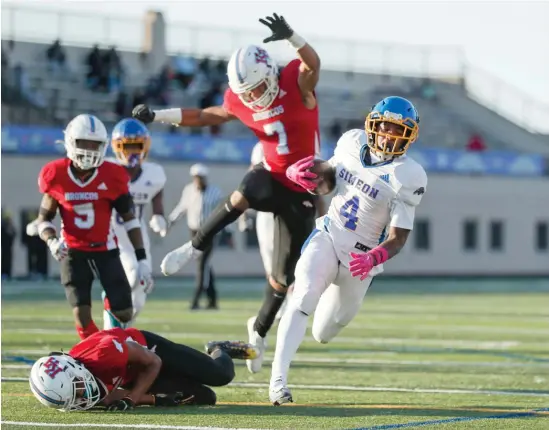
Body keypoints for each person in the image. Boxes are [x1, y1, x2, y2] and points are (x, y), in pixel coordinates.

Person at [133, 13, 321, 374]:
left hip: (302, 188)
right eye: (244, 91)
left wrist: (293, 36)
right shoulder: (241, 99)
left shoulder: (294, 81)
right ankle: (193, 246)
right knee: (243, 192)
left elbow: (313, 63)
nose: (251, 97)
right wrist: (157, 115)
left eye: (254, 88)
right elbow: (205, 115)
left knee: (283, 279)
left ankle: (259, 334)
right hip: (270, 176)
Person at [268, 96, 428, 405]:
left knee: (323, 333)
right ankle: (278, 382)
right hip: (329, 235)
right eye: (383, 127)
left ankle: (312, 294)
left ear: (409, 135)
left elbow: (398, 237)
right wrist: (308, 179)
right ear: (372, 125)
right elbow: (330, 178)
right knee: (304, 297)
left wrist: (373, 257)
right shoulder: (351, 144)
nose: (387, 135)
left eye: (396, 130)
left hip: (361, 261)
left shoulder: (408, 176)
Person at [33, 114, 152, 340]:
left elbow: (130, 218)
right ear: (70, 142)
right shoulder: (55, 174)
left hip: (105, 250)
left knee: (125, 311)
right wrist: (51, 241)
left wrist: (142, 259)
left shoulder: (113, 174)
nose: (89, 150)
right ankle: (99, 352)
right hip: (72, 251)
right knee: (82, 317)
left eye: (94, 144)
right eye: (83, 143)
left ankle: (109, 312)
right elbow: (44, 219)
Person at [29, 327, 257, 411]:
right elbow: (110, 397)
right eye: (75, 398)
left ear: (74, 370)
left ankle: (219, 349)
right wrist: (156, 400)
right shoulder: (75, 393)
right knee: (206, 397)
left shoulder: (104, 353)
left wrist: (134, 398)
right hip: (132, 375)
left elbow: (153, 362)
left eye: (78, 389)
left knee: (220, 375)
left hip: (149, 352)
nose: (82, 397)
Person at [102, 118, 167, 330]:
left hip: (139, 240)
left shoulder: (153, 173)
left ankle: (120, 328)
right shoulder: (108, 170)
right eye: (126, 146)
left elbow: (156, 196)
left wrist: (158, 216)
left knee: (139, 296)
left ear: (145, 147)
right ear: (116, 147)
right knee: (129, 277)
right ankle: (110, 325)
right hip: (113, 238)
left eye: (136, 146)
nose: (132, 152)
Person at [168, 163, 224, 310]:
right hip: (194, 232)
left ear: (205, 178)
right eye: (195, 178)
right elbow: (181, 207)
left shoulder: (215, 192)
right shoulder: (189, 191)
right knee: (204, 265)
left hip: (210, 232)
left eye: (200, 178)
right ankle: (213, 300)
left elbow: (223, 213)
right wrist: (171, 221)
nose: (198, 181)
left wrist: (228, 232)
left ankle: (196, 299)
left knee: (202, 265)